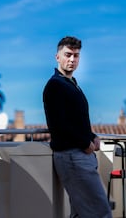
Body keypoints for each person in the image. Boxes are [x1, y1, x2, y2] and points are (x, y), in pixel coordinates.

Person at [43, 36, 112, 218]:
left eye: (76, 55)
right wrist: (84, 142)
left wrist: (91, 135)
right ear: (57, 57)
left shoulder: (71, 85)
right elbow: (58, 123)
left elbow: (75, 120)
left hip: (78, 155)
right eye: (68, 55)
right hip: (72, 156)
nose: (72, 59)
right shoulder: (55, 85)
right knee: (100, 212)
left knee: (81, 213)